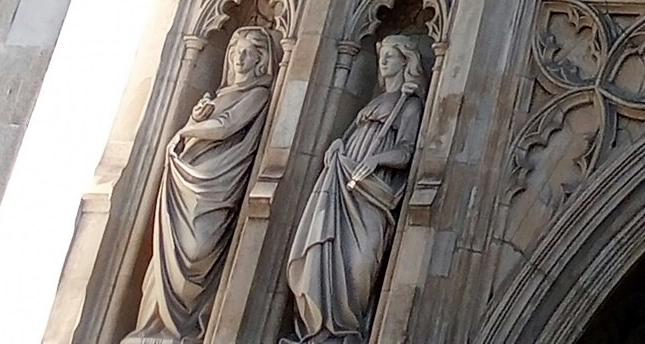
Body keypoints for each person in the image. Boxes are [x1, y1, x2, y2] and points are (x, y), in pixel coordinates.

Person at [130, 25, 277, 341]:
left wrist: (188, 131)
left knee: (197, 251)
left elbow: (227, 127)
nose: (240, 57)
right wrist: (194, 119)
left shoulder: (257, 94)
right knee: (166, 258)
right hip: (187, 182)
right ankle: (155, 327)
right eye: (235, 50)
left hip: (217, 186)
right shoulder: (222, 94)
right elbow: (206, 128)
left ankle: (185, 326)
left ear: (260, 58)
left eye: (248, 52)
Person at [284, 32, 427, 341]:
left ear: (406, 61)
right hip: (344, 183)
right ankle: (317, 329)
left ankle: (344, 329)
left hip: (372, 194)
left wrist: (376, 160)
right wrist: (340, 144)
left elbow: (406, 151)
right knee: (321, 257)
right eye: (382, 55)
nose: (384, 60)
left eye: (391, 56)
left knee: (358, 265)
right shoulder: (378, 102)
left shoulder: (409, 105)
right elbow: (352, 136)